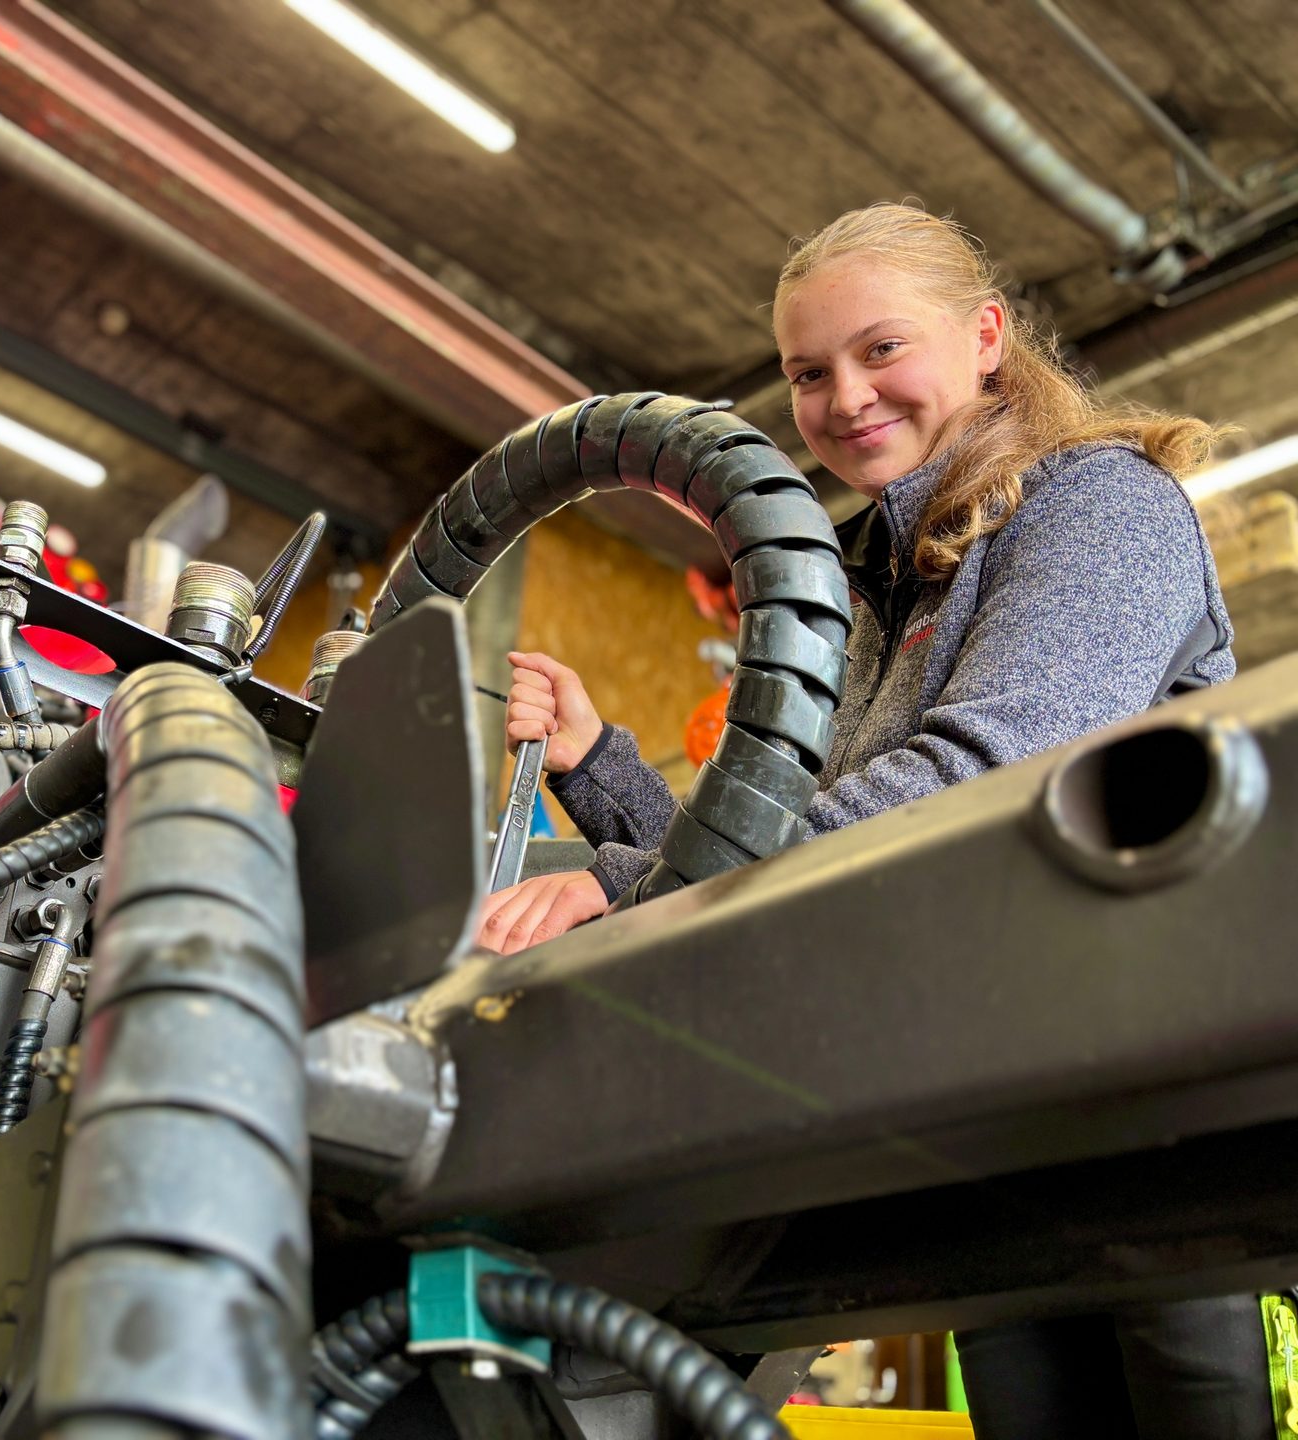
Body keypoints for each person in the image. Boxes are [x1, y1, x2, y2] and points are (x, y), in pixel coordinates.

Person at [481, 201, 1262, 1438]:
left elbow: (985, 775)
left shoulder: (1100, 509)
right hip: (970, 1094)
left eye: (880, 350)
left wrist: (624, 892)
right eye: (807, 372)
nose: (846, 397)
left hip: (1135, 1095)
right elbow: (774, 829)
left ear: (988, 337)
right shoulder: (856, 586)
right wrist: (598, 768)